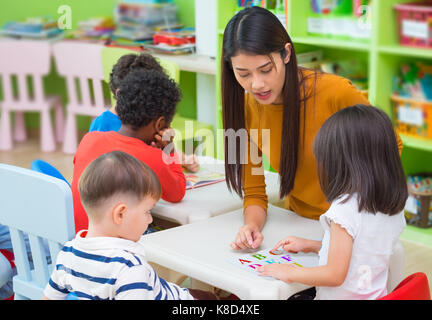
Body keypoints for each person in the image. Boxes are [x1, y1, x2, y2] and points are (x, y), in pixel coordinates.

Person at [220, 6, 403, 250]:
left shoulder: (336, 93)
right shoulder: (246, 107)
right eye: (243, 74)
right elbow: (254, 190)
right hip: (298, 223)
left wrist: (350, 213)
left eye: (265, 70)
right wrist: (251, 225)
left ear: (286, 53)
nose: (257, 84)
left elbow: (391, 147)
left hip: (351, 228)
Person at [257, 105, 407, 300]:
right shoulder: (391, 205)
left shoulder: (345, 209)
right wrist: (312, 245)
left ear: (341, 163)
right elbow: (364, 251)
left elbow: (334, 275)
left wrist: (288, 271)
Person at [43, 151, 216, 300]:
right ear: (120, 214)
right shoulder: (130, 267)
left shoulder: (67, 252)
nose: (149, 220)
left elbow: (48, 297)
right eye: (147, 211)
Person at [71, 69, 185, 234]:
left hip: (79, 238)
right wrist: (169, 149)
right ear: (160, 125)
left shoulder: (90, 139)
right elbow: (177, 193)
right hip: (113, 249)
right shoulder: (153, 157)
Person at [89, 53, 199, 173]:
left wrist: (179, 157)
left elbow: (155, 151)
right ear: (121, 94)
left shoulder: (148, 118)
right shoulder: (102, 126)